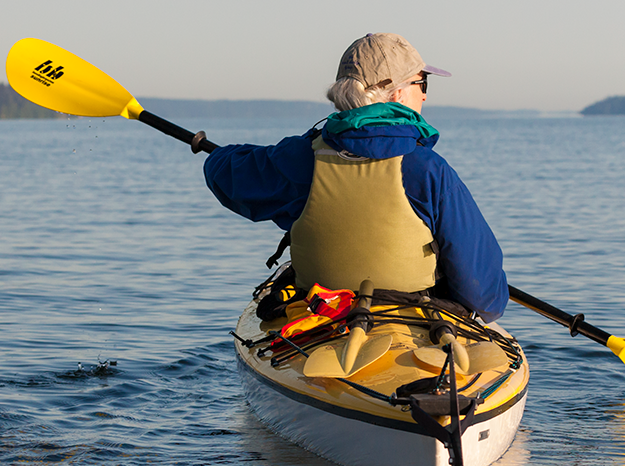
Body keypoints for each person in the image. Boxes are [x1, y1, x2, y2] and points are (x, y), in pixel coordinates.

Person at [202, 33, 508, 322]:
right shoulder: (429, 170)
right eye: (422, 83)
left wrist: (219, 155)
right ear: (397, 92)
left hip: (321, 314)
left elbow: (226, 176)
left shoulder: (300, 157)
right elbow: (485, 296)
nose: (425, 97)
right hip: (412, 318)